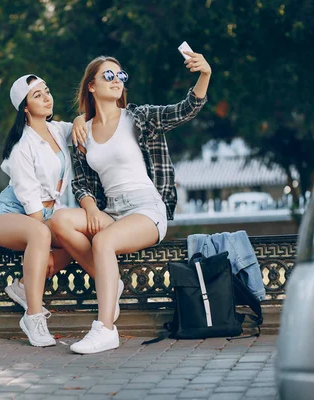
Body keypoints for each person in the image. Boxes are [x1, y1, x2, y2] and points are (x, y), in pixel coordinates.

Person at [51, 49, 211, 354]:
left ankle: (106, 328)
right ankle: (108, 279)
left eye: (120, 75)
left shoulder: (140, 117)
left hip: (146, 209)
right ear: (91, 86)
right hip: (111, 210)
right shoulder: (82, 131)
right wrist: (91, 207)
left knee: (103, 242)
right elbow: (81, 182)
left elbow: (185, 109)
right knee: (59, 221)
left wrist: (204, 74)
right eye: (107, 75)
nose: (116, 80)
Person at [0, 74, 86, 347]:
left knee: (79, 239)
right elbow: (32, 210)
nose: (47, 97)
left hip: (46, 214)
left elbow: (82, 122)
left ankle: (22, 286)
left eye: (47, 91)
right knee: (42, 234)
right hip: (8, 214)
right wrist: (48, 233)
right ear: (25, 108)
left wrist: (77, 119)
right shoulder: (21, 147)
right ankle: (34, 316)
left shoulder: (54, 130)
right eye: (37, 95)